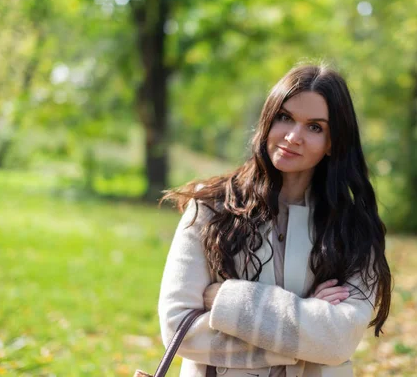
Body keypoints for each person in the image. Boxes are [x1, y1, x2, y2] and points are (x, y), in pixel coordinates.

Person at [158, 64, 392, 377]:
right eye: (285, 117)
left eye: (315, 127)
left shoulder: (352, 228)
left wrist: (228, 300)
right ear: (268, 120)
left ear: (333, 142)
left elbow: (338, 340)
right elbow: (179, 328)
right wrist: (305, 335)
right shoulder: (212, 208)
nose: (293, 136)